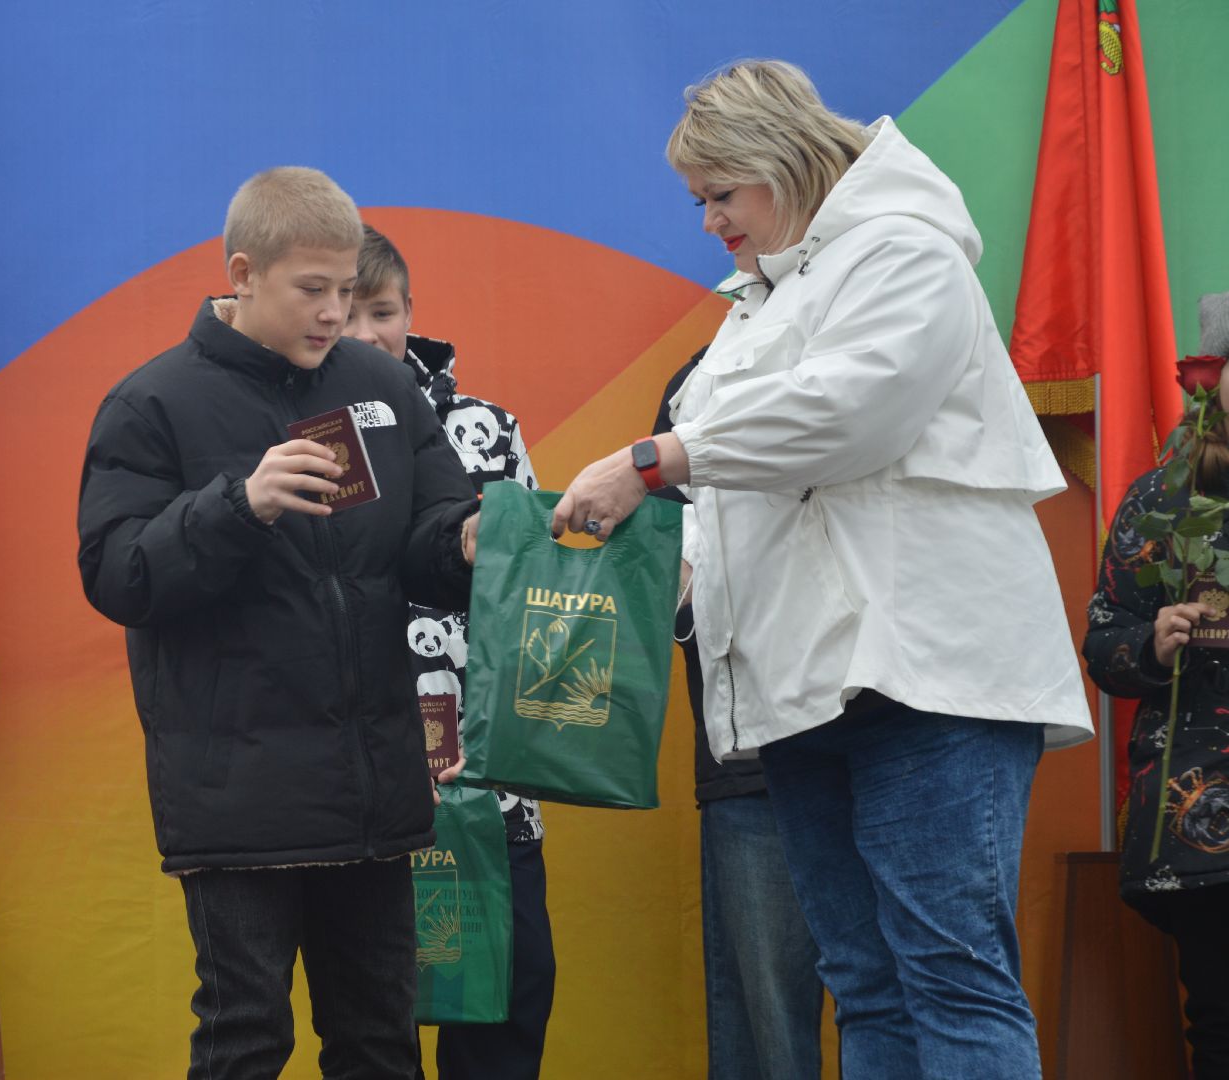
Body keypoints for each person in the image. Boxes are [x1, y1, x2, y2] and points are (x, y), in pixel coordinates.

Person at [552, 61, 1092, 1077]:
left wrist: (652, 458)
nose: (708, 221)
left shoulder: (907, 254)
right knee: (864, 982)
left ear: (782, 162)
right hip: (799, 692)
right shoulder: (753, 305)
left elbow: (849, 411)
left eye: (721, 194)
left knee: (949, 970)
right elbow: (735, 489)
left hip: (927, 678)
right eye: (698, 201)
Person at [76, 166, 480, 1079]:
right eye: (312, 290)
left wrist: (465, 542)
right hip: (237, 796)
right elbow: (118, 576)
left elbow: (423, 539)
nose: (335, 313)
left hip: (375, 790)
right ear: (243, 271)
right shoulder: (154, 403)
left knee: (380, 1041)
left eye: (347, 290)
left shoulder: (380, 382)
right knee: (246, 1038)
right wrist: (239, 505)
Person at [345, 224, 555, 1079]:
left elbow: (536, 597)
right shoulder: (292, 436)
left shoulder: (488, 431)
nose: (364, 334)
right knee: (368, 1022)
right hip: (352, 787)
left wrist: (508, 739)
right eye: (344, 312)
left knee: (504, 1005)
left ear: (411, 312)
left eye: (382, 311)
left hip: (485, 780)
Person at [649, 348, 824, 1080]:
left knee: (899, 994)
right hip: (749, 756)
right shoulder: (703, 374)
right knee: (765, 1025)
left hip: (888, 738)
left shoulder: (868, 339)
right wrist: (689, 590)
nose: (718, 224)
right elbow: (661, 540)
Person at [1083, 292, 1229, 1079]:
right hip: (1203, 815)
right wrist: (1154, 642)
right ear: (1213, 379)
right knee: (1220, 1022)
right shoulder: (1157, 502)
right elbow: (1102, 644)